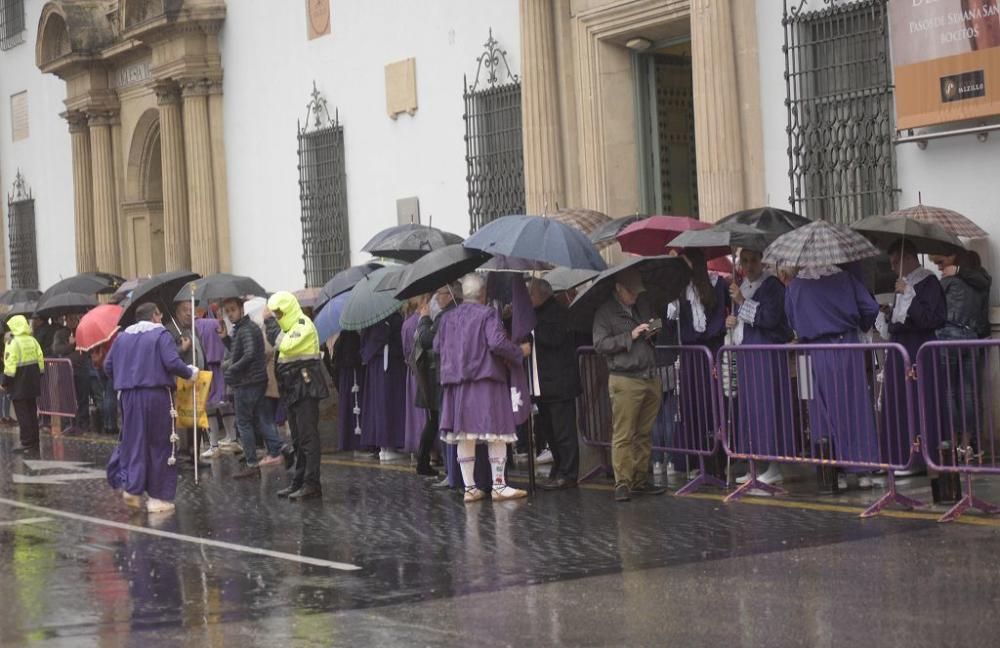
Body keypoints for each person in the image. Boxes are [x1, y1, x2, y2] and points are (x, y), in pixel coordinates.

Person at [434, 274, 529, 503]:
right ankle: (498, 485)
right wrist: (519, 352)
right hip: (486, 380)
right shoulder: (488, 314)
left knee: (464, 436)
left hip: (457, 384)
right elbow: (496, 343)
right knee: (497, 432)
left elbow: (437, 346)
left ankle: (470, 488)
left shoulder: (447, 318)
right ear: (483, 293)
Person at [785, 264, 880, 490]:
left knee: (821, 412)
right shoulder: (845, 278)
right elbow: (870, 307)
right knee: (854, 407)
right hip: (847, 347)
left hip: (813, 351)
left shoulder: (796, 285)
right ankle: (861, 467)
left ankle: (831, 469)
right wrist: (858, 325)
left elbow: (792, 321)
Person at [104, 303, 197, 513]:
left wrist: (125, 379)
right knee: (160, 443)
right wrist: (189, 372)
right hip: (156, 395)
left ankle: (132, 488)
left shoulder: (122, 337)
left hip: (128, 395)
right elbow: (172, 362)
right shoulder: (160, 334)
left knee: (134, 441)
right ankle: (158, 497)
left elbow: (107, 366)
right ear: (155, 315)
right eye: (160, 313)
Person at [592, 269, 666, 503]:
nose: (635, 296)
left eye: (637, 291)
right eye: (631, 292)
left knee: (644, 433)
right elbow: (600, 344)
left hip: (648, 376)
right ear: (619, 289)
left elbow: (657, 324)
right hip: (625, 378)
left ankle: (640, 479)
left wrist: (653, 330)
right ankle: (622, 482)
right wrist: (630, 336)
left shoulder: (641, 305)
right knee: (624, 433)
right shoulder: (605, 313)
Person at [725, 248, 795, 486]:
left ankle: (774, 464)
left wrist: (742, 303)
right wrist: (733, 320)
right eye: (744, 261)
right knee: (750, 411)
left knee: (768, 408)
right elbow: (743, 319)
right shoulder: (742, 285)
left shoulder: (772, 286)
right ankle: (754, 464)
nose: (748, 265)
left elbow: (771, 318)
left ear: (761, 261)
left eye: (753, 260)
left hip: (766, 354)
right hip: (748, 355)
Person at [875, 239, 946, 473]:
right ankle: (900, 455)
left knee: (918, 401)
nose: (893, 268)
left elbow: (930, 319)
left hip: (919, 348)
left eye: (896, 262)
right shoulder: (902, 284)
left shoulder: (928, 282)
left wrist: (909, 295)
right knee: (898, 400)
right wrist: (889, 313)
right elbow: (900, 319)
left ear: (908, 258)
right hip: (900, 348)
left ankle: (920, 457)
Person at [669, 249, 730, 476]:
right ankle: (696, 459)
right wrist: (670, 309)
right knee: (692, 405)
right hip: (690, 356)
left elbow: (721, 318)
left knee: (713, 404)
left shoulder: (717, 284)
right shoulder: (679, 291)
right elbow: (670, 323)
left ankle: (717, 459)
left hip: (711, 353)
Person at [264, 292, 329, 500]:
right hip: (293, 389)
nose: (276, 316)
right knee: (298, 439)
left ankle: (312, 484)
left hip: (306, 388)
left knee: (308, 438)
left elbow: (285, 345)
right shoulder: (288, 328)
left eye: (278, 312)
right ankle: (299, 481)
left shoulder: (303, 325)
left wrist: (270, 323)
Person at [930, 251, 990, 456]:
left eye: (941, 262)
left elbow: (934, 306)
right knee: (969, 394)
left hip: (948, 335)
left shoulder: (949, 281)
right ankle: (967, 444)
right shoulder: (981, 283)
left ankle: (952, 444)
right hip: (972, 336)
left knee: (948, 393)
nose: (940, 267)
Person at [222, 298, 289, 479]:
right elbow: (241, 351)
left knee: (244, 423)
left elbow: (249, 354)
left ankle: (252, 464)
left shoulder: (246, 329)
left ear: (241, 309)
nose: (229, 313)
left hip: (246, 382)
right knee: (263, 419)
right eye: (227, 311)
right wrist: (225, 339)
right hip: (256, 380)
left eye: (232, 309)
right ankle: (280, 448)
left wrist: (231, 368)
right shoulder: (244, 329)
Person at [529, 278, 581, 490]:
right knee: (550, 431)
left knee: (563, 431)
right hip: (544, 384)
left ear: (542, 294)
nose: (528, 298)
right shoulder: (536, 314)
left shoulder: (557, 312)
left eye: (530, 294)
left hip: (559, 383)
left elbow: (554, 339)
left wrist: (533, 329)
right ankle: (559, 467)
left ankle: (569, 472)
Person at [416, 283, 460, 486]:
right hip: (456, 374)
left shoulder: (445, 317)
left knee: (446, 423)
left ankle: (452, 472)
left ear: (449, 295)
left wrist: (424, 319)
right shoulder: (457, 312)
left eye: (440, 294)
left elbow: (427, 341)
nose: (437, 299)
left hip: (445, 375)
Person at [359, 311, 407, 461]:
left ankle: (383, 445)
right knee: (388, 405)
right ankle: (388, 444)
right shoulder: (392, 318)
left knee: (379, 406)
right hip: (389, 368)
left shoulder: (370, 318)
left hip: (377, 367)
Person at [196, 317, 239, 459]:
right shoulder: (214, 321)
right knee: (225, 404)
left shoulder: (194, 326)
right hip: (221, 363)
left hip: (206, 367)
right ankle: (232, 439)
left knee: (209, 407)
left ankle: (214, 446)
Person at [4, 315, 44, 453]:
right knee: (32, 413)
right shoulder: (33, 340)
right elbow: (40, 360)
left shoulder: (12, 343)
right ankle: (34, 441)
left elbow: (10, 367)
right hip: (32, 382)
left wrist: (4, 383)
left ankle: (26, 442)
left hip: (18, 384)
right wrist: (39, 376)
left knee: (23, 415)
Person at [401, 296, 430, 473]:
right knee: (427, 413)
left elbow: (405, 350)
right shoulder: (425, 321)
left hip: (412, 372)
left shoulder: (406, 325)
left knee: (416, 413)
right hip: (425, 371)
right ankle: (431, 452)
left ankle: (418, 448)